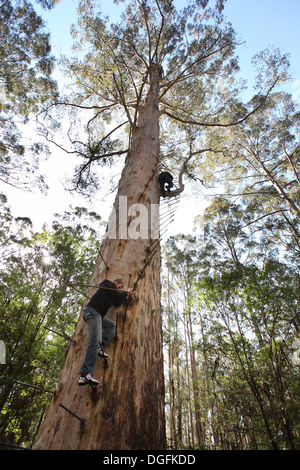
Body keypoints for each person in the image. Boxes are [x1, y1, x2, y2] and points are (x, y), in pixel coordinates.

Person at [78, 278, 133, 386]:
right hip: (92, 312)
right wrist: (126, 292)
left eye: (121, 288)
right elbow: (114, 292)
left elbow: (117, 303)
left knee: (112, 325)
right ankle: (84, 374)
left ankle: (100, 347)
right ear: (116, 283)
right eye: (120, 286)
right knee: (95, 340)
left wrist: (127, 295)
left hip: (97, 315)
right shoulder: (107, 284)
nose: (119, 289)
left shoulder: (113, 294)